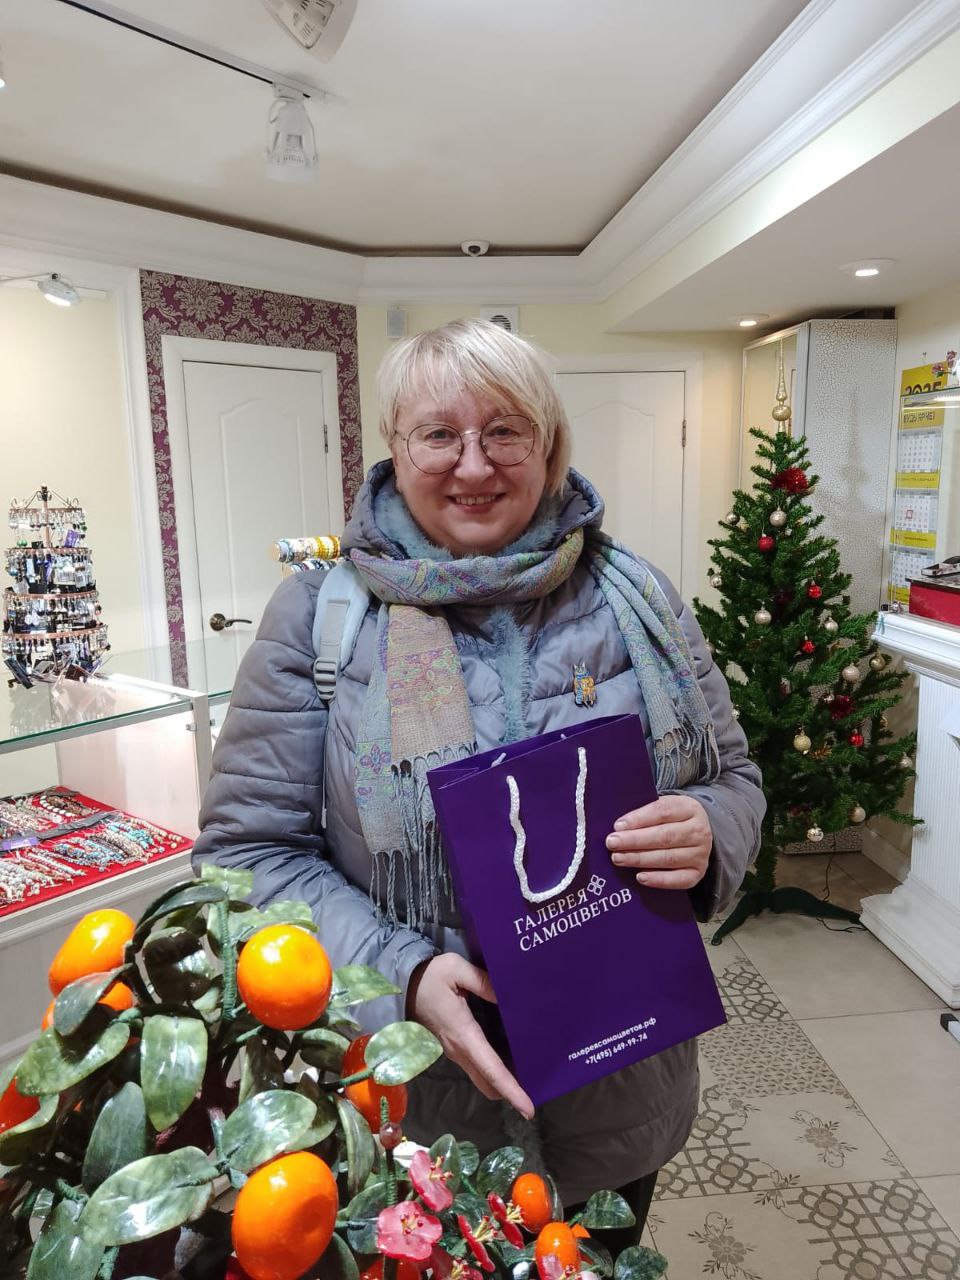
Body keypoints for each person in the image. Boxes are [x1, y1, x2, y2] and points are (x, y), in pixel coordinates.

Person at [192, 319, 764, 1241]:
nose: (473, 464)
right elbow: (246, 856)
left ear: (550, 444)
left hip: (617, 1094)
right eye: (438, 434)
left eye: (505, 431)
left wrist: (707, 826)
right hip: (409, 1100)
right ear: (395, 446)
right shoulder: (320, 615)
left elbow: (733, 776)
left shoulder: (638, 599)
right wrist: (403, 976)